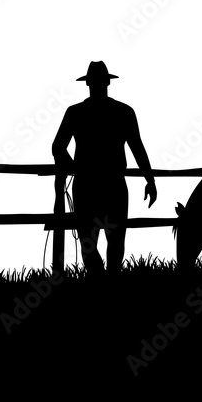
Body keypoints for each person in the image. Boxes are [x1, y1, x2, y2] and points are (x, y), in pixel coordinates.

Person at [52, 61, 158, 278]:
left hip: (86, 185)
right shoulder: (124, 112)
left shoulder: (76, 112)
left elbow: (57, 147)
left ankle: (99, 281)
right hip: (114, 184)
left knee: (88, 241)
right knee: (115, 240)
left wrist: (73, 167)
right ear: (108, 82)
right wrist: (150, 180)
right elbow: (137, 148)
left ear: (87, 83)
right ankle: (110, 281)